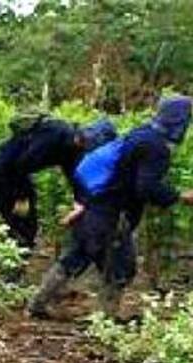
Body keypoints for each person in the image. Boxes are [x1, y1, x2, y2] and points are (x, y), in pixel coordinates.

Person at [28, 96, 193, 319]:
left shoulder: (141, 133)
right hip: (112, 216)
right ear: (179, 121)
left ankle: (37, 305)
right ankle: (106, 321)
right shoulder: (157, 148)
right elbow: (147, 187)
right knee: (121, 267)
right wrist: (181, 196)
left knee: (75, 256)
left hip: (95, 207)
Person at [0, 116, 117, 248]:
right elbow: (21, 163)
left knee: (26, 227)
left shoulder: (73, 149)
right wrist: (20, 197)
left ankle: (13, 270)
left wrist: (80, 203)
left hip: (20, 176)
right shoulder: (55, 132)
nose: (82, 145)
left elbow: (75, 177)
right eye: (84, 140)